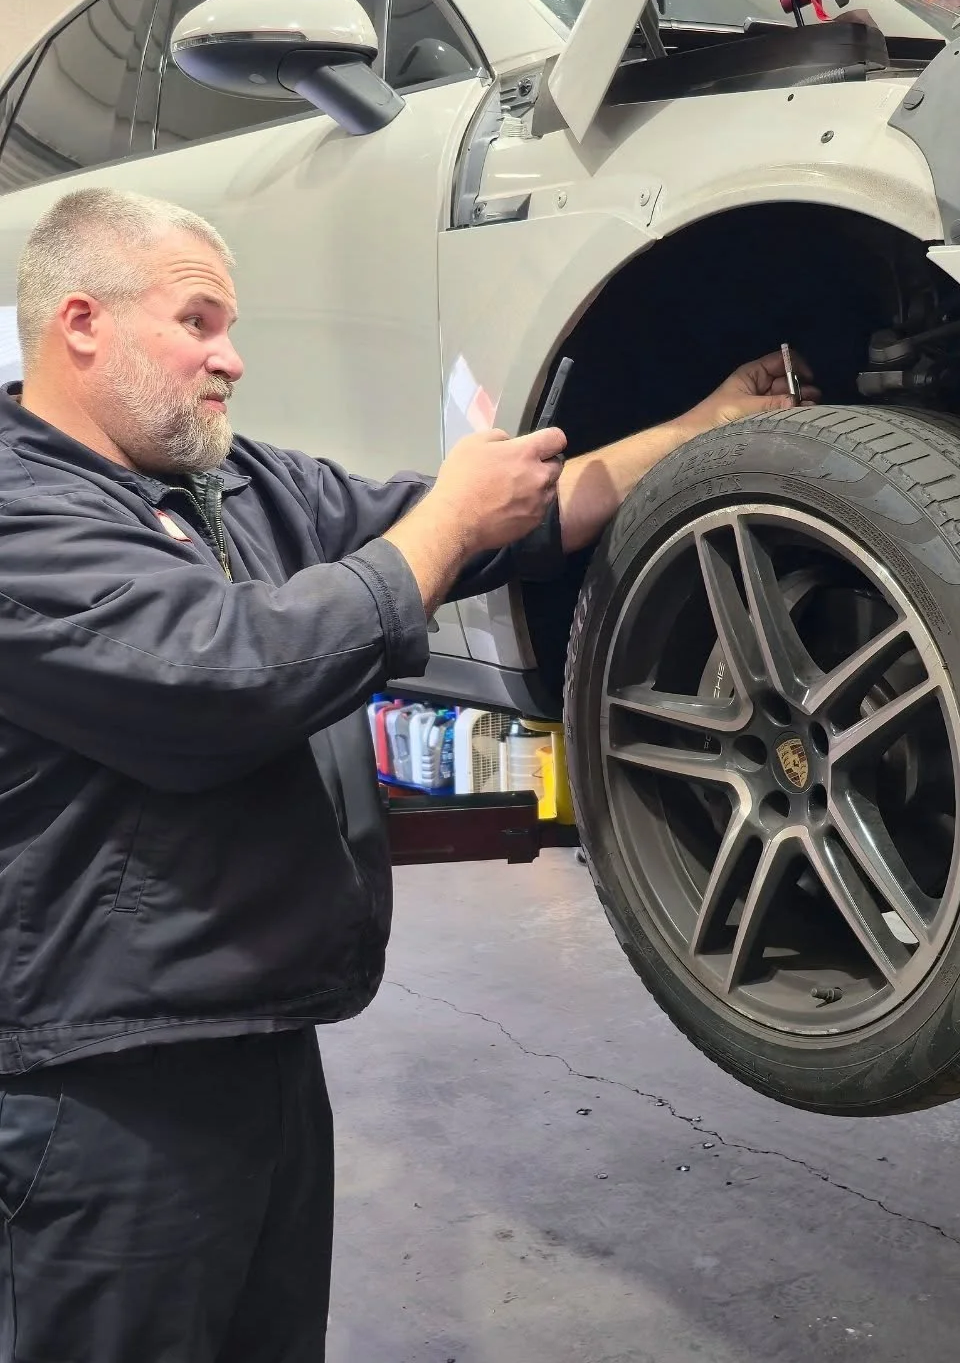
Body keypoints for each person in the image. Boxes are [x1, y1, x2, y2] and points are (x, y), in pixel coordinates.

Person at [0, 186, 817, 1363]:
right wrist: (441, 526)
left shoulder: (239, 486)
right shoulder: (24, 510)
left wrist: (698, 425)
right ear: (81, 322)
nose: (231, 358)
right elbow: (227, 678)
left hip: (257, 1041)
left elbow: (500, 525)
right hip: (105, 1088)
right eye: (198, 322)